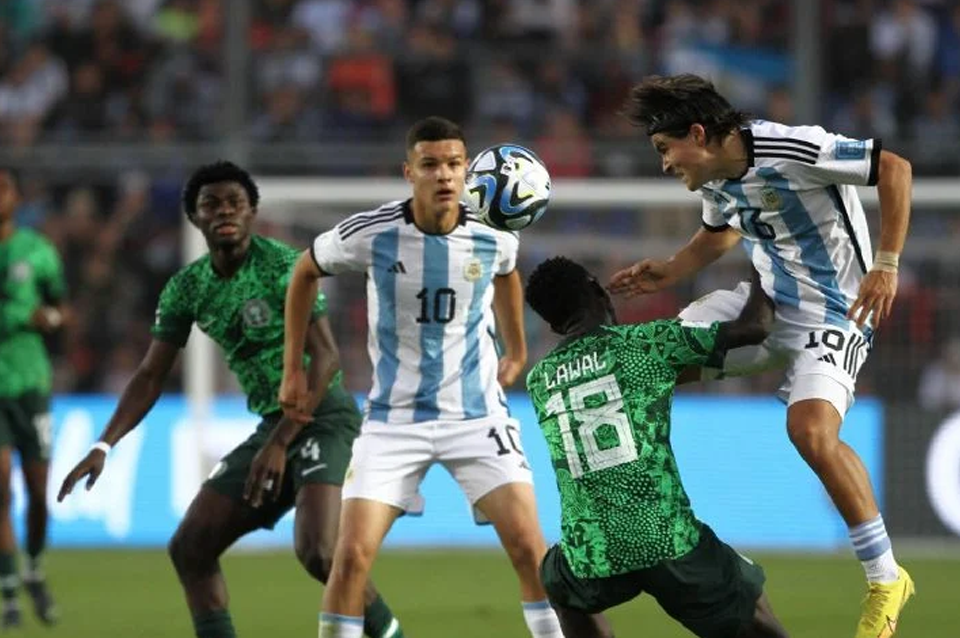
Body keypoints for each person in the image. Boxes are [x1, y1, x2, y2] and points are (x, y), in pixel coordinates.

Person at [608, 74, 914, 637]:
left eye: (665, 149)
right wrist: (670, 270)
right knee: (645, 365)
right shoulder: (716, 178)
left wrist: (887, 263)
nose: (664, 164)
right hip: (766, 310)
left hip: (837, 313)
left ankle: (886, 578)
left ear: (697, 134)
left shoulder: (793, 147)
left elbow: (894, 168)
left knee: (810, 432)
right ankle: (664, 533)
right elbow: (719, 234)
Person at [57, 161, 405, 638]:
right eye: (211, 204)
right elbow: (150, 375)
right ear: (195, 218)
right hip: (272, 426)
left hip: (322, 416)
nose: (224, 211)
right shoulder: (187, 287)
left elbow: (325, 359)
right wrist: (103, 444)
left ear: (252, 212)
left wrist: (280, 442)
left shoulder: (284, 265)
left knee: (321, 553)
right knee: (190, 548)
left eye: (235, 203)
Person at [281, 116, 564, 638]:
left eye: (454, 164)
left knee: (531, 549)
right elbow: (303, 271)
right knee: (350, 558)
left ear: (467, 170)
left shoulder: (493, 234)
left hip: (477, 416)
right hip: (393, 422)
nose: (444, 175)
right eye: (430, 164)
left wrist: (516, 349)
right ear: (408, 172)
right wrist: (292, 368)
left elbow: (507, 276)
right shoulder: (371, 234)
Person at [525, 255, 788, 638]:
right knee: (755, 613)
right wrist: (761, 259)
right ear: (599, 291)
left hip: (592, 553)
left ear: (552, 325)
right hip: (665, 539)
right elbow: (755, 327)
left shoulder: (539, 379)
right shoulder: (646, 343)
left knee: (556, 576)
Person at [0, 167, 66, 628]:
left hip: (31, 384)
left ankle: (34, 570)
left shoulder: (38, 251)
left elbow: (62, 309)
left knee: (38, 492)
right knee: (0, 485)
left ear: (16, 198)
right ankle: (8, 590)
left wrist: (52, 319)